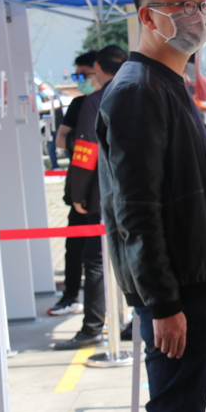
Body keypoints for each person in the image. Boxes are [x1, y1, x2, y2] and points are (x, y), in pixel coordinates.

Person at [96, 0, 206, 412]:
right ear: (148, 17)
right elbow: (137, 210)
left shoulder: (167, 85)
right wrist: (163, 303)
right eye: (180, 5)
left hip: (196, 285)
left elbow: (188, 197)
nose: (196, 15)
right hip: (175, 298)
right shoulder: (137, 92)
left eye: (200, 3)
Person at [54, 45, 127, 350]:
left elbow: (86, 151)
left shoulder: (95, 101)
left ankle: (93, 327)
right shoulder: (138, 93)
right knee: (132, 256)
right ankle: (134, 320)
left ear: (97, 67)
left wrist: (78, 193)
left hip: (102, 193)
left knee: (95, 261)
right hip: (137, 192)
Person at [48, 50, 99, 317]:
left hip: (104, 190)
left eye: (83, 75)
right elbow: (60, 139)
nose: (80, 81)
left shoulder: (116, 99)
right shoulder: (79, 104)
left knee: (99, 255)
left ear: (98, 70)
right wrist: (85, 141)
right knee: (75, 246)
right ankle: (70, 296)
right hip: (80, 185)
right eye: (76, 76)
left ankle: (106, 306)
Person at [38, 82, 65, 170]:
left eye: (45, 89)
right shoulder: (39, 100)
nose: (43, 91)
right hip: (48, 128)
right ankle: (55, 166)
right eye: (41, 90)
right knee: (51, 147)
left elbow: (56, 104)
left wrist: (43, 106)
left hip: (59, 126)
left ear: (49, 88)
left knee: (65, 146)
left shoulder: (56, 96)